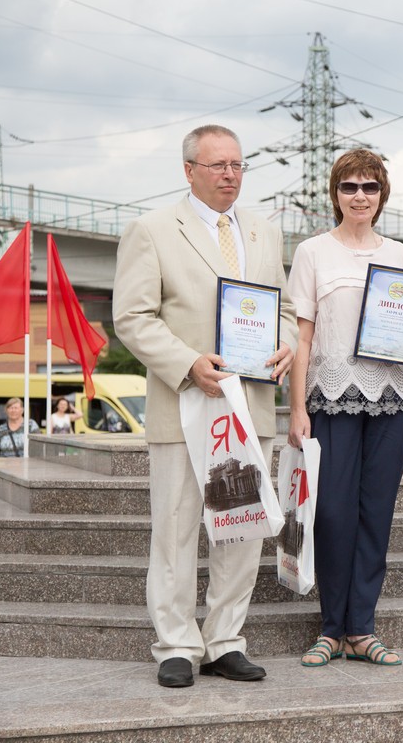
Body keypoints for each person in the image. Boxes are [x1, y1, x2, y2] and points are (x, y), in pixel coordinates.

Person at [113, 124, 297, 689]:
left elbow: (284, 308)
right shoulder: (151, 230)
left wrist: (286, 341)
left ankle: (225, 640)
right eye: (218, 165)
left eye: (238, 166)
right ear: (189, 169)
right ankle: (175, 644)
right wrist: (187, 362)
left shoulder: (265, 232)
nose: (229, 175)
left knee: (240, 525)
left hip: (250, 403)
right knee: (175, 527)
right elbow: (132, 317)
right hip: (185, 402)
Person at [287, 148, 403, 669]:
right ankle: (330, 628)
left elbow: (400, 334)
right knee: (331, 513)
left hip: (394, 398)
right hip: (330, 397)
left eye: (369, 187)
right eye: (349, 186)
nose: (359, 196)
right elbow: (301, 335)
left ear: (382, 196)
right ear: (335, 195)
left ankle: (361, 629)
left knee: (376, 512)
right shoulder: (312, 252)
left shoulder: (399, 255)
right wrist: (297, 407)